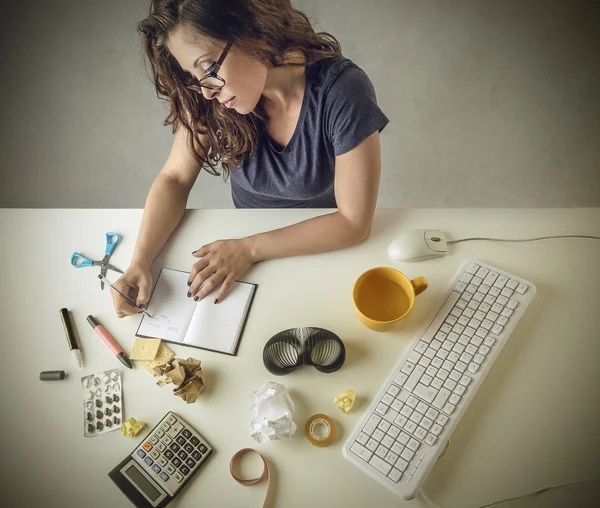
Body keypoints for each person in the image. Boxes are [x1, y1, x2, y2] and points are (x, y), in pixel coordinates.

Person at [112, 0, 389, 318]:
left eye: (206, 65)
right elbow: (174, 178)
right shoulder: (211, 97)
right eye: (192, 74)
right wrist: (140, 261)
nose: (206, 92)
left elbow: (354, 223)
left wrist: (248, 249)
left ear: (250, 30)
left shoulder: (341, 91)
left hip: (322, 243)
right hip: (246, 244)